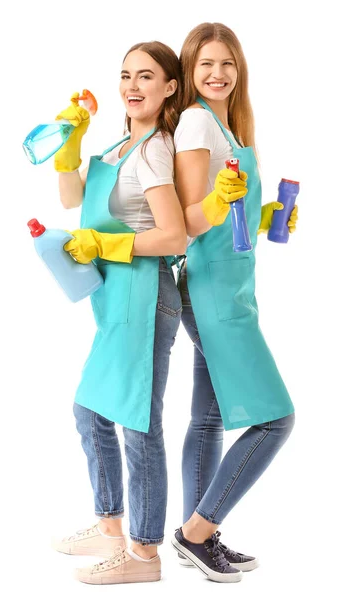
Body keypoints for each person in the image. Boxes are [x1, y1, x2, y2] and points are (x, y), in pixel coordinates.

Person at [52, 41, 187, 585]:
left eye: (147, 77)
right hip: (118, 298)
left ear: (170, 88)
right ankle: (110, 525)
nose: (133, 86)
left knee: (137, 422)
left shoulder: (156, 149)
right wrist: (70, 147)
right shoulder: (117, 145)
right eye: (126, 75)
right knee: (91, 411)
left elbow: (174, 234)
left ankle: (144, 555)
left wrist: (104, 247)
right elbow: (70, 199)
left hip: (144, 294)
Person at [171, 22, 298, 584]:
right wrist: (223, 205)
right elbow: (191, 216)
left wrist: (270, 216)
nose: (218, 74)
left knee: (209, 417)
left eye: (227, 63)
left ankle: (199, 535)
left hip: (230, 282)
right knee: (276, 419)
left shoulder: (228, 124)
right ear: (189, 71)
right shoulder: (198, 120)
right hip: (215, 289)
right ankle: (197, 531)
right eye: (206, 64)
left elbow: (232, 220)